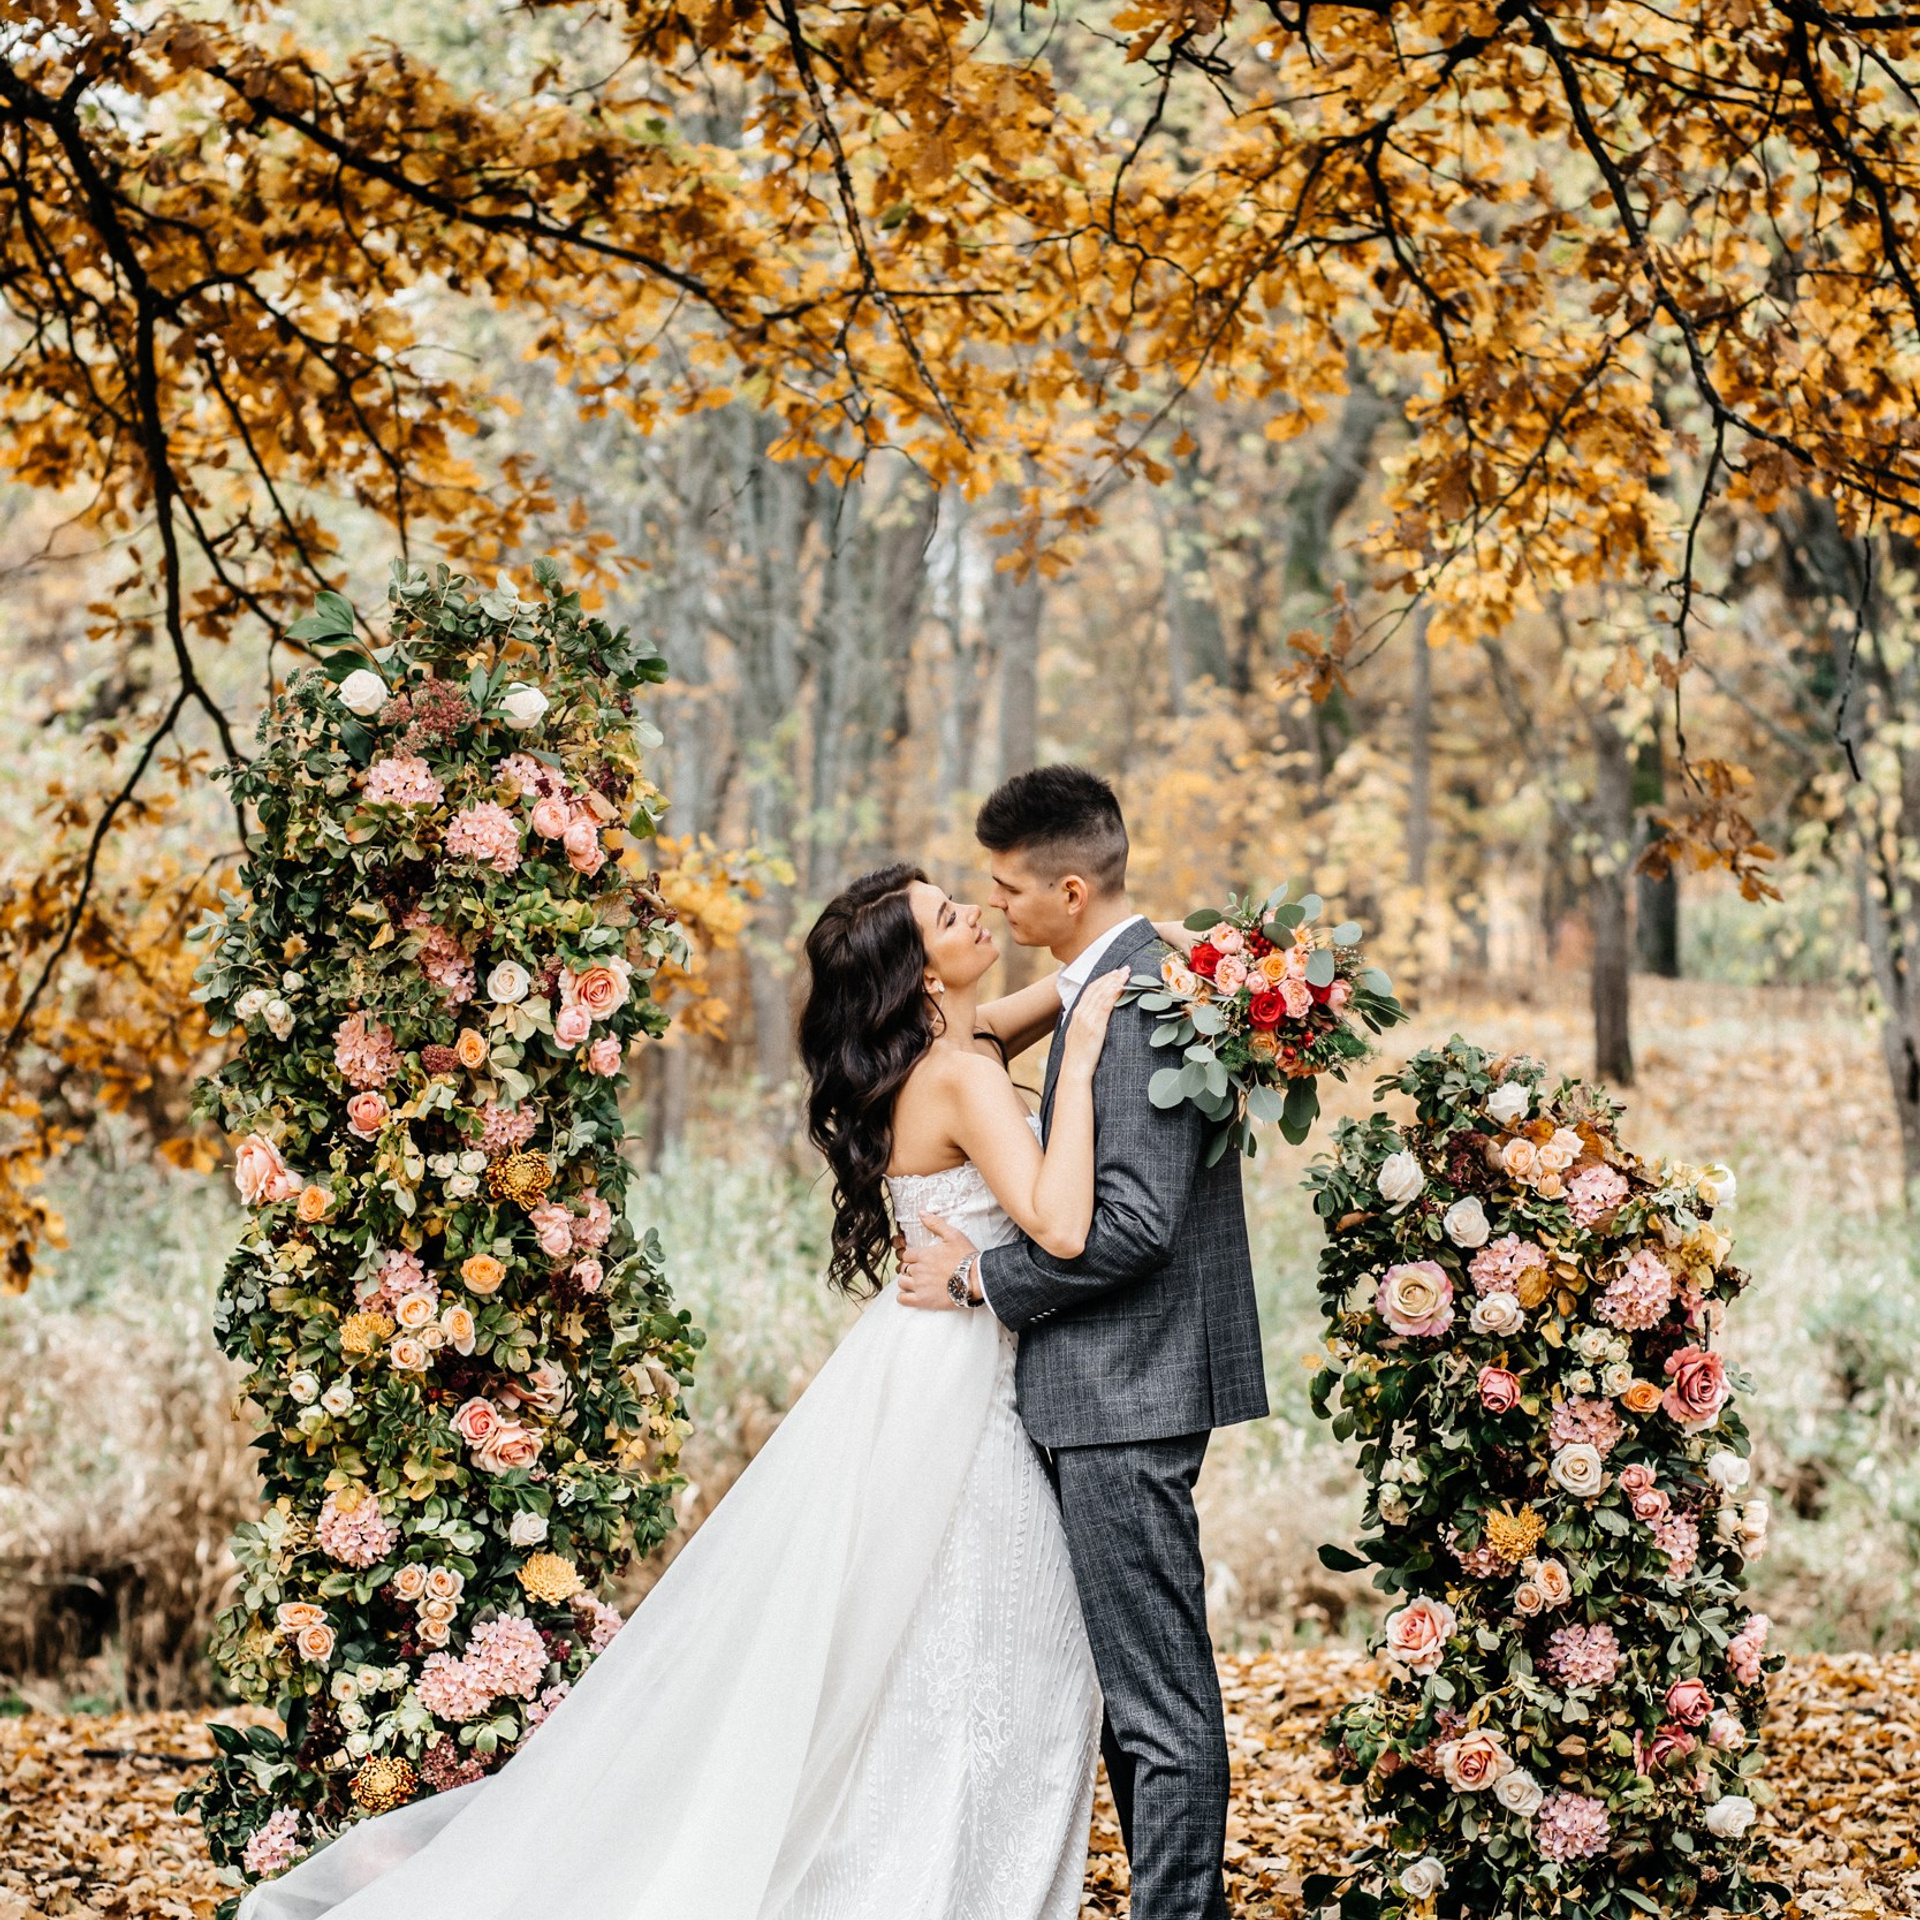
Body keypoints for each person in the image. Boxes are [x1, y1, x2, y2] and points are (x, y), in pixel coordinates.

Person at [238, 859, 1137, 1920]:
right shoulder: (969, 1075)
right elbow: (1065, 1226)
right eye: (952, 914)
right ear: (919, 976)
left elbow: (1069, 986)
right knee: (1007, 1647)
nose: (981, 912)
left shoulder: (943, 1056)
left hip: (911, 1365)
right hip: (955, 1389)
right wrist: (1077, 1065)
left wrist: (1127, 951)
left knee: (921, 1650)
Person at [898, 765, 1269, 1920]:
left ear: (1067, 887)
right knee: (1126, 1687)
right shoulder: (1111, 978)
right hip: (1104, 1386)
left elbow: (1136, 1228)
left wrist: (978, 1278)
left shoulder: (1147, 1000)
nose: (994, 908)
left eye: (1008, 890)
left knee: (1155, 1697)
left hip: (1128, 1390)